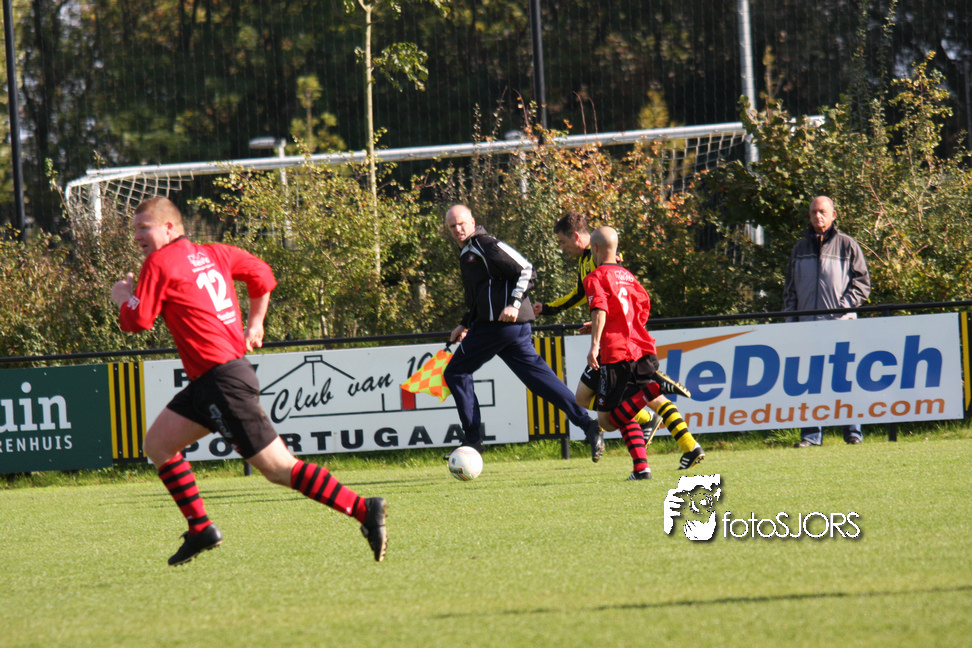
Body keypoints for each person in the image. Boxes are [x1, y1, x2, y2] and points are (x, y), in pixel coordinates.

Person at [110, 196, 387, 565]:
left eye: (143, 228)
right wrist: (256, 323)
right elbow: (262, 274)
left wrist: (123, 297)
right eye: (134, 229)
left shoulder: (159, 261)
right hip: (215, 379)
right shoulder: (215, 253)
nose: (136, 236)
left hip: (221, 382)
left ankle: (364, 509)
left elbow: (138, 320)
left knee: (279, 469)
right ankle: (200, 528)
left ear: (170, 228)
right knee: (158, 444)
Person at [441, 204, 605, 462]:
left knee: (456, 372)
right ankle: (588, 425)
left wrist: (514, 304)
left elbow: (527, 269)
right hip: (507, 330)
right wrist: (464, 324)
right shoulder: (469, 252)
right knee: (540, 381)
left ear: (472, 221)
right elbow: (480, 295)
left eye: (461, 223)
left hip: (498, 326)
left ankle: (472, 441)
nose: (457, 229)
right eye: (452, 226)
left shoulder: (485, 244)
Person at [533, 212, 665, 445]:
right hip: (610, 337)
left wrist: (604, 329)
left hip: (618, 343)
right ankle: (649, 424)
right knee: (589, 400)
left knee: (613, 407)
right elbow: (582, 295)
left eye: (562, 242)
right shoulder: (586, 261)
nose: (562, 248)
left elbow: (616, 295)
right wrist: (547, 308)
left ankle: (669, 435)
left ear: (576, 237)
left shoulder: (598, 257)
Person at [583, 226, 704, 479]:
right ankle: (647, 464)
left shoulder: (595, 276)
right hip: (641, 347)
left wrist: (595, 343)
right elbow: (642, 310)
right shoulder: (629, 277)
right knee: (598, 400)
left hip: (615, 352)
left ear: (594, 248)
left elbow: (600, 310)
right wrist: (607, 324)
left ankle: (652, 397)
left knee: (607, 420)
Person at [783, 195, 871, 447]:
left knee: (846, 380)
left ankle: (852, 433)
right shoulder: (799, 249)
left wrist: (843, 306)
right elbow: (789, 290)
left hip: (841, 325)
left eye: (822, 211)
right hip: (807, 328)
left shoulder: (848, 245)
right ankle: (811, 436)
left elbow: (862, 284)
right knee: (809, 383)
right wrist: (790, 321)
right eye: (813, 212)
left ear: (833, 215)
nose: (817, 216)